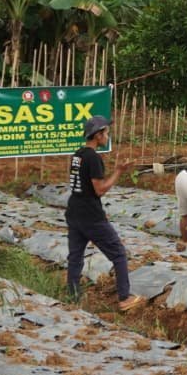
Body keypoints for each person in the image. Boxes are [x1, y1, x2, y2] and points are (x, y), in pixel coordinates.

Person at [65, 115, 144, 312]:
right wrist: (118, 171)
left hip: (74, 212)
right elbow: (99, 189)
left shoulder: (78, 154)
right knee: (118, 254)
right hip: (90, 216)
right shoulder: (93, 158)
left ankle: (72, 298)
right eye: (106, 133)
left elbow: (82, 186)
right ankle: (125, 298)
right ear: (98, 135)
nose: (108, 136)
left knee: (75, 257)